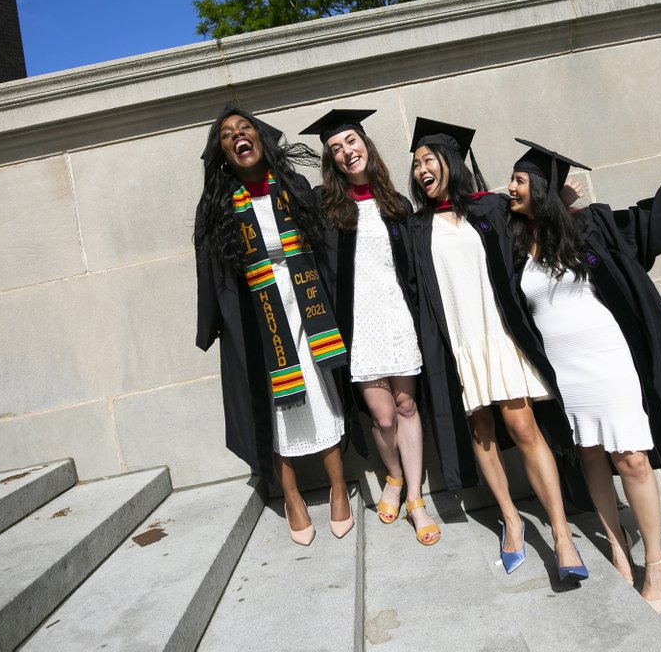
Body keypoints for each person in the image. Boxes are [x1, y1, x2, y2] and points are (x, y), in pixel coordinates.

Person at [505, 134, 661, 613]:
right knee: (590, 456)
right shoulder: (513, 244)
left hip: (608, 362)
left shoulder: (589, 229)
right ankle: (616, 542)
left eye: (519, 179)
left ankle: (656, 560)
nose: (510, 187)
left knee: (630, 459)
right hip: (565, 372)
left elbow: (649, 220)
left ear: (542, 190)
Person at [408, 117, 588, 580]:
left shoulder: (489, 208)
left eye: (429, 160)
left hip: (499, 336)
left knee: (524, 427)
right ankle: (511, 520)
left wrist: (564, 203)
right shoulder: (414, 228)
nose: (421, 170)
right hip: (458, 344)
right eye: (415, 165)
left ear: (450, 162)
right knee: (481, 432)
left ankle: (563, 537)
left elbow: (537, 220)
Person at [195, 105, 366, 546]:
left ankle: (337, 487)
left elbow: (326, 246)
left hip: (307, 304)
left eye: (245, 128)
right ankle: (290, 496)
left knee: (320, 389)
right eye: (228, 134)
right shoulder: (217, 207)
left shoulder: (294, 187)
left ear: (260, 139)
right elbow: (211, 272)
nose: (237, 136)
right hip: (260, 314)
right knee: (275, 405)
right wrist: (216, 326)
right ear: (224, 152)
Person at [301, 108, 440, 546]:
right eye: (336, 148)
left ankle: (415, 499)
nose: (346, 151)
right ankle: (393, 476)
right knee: (381, 417)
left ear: (366, 145)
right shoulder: (325, 206)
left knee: (406, 408)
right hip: (358, 324)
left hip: (398, 315)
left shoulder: (395, 203)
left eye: (352, 141)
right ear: (331, 160)